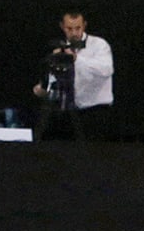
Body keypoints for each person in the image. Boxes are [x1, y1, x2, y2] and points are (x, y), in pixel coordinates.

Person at [30, 10, 115, 141]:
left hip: (95, 113)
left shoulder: (98, 45)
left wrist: (76, 59)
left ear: (84, 25)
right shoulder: (59, 49)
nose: (74, 33)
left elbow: (106, 70)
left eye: (78, 28)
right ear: (62, 27)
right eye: (69, 28)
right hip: (67, 113)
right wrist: (44, 88)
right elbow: (55, 80)